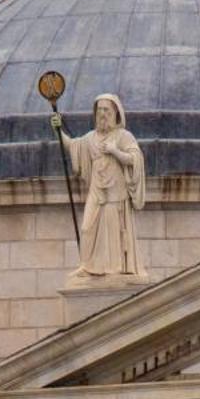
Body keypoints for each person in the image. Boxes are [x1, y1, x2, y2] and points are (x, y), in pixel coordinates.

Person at [51, 93, 147, 279]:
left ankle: (116, 267)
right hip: (97, 189)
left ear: (115, 113)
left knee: (113, 228)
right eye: (99, 110)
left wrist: (114, 151)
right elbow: (72, 146)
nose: (102, 114)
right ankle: (87, 265)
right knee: (87, 227)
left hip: (115, 190)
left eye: (106, 110)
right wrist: (57, 130)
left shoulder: (123, 136)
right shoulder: (91, 138)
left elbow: (135, 159)